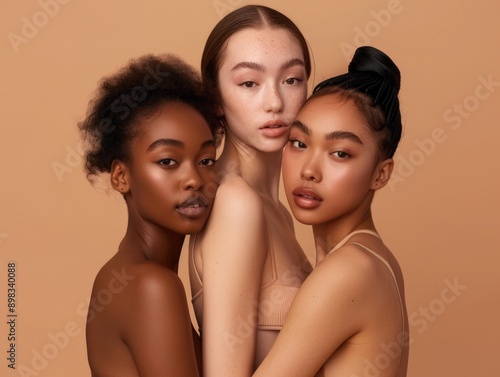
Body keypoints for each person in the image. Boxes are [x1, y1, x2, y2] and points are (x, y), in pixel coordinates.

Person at [253, 46, 409, 377]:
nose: (309, 170)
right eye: (298, 143)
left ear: (381, 173)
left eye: (339, 153)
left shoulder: (349, 271)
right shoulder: (371, 258)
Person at [188, 5, 313, 376]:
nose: (275, 102)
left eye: (291, 79)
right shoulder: (235, 202)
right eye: (249, 83)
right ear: (215, 100)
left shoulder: (278, 210)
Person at [79, 54, 222, 377]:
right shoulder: (151, 286)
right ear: (121, 177)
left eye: (207, 160)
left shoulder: (125, 275)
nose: (194, 179)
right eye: (168, 161)